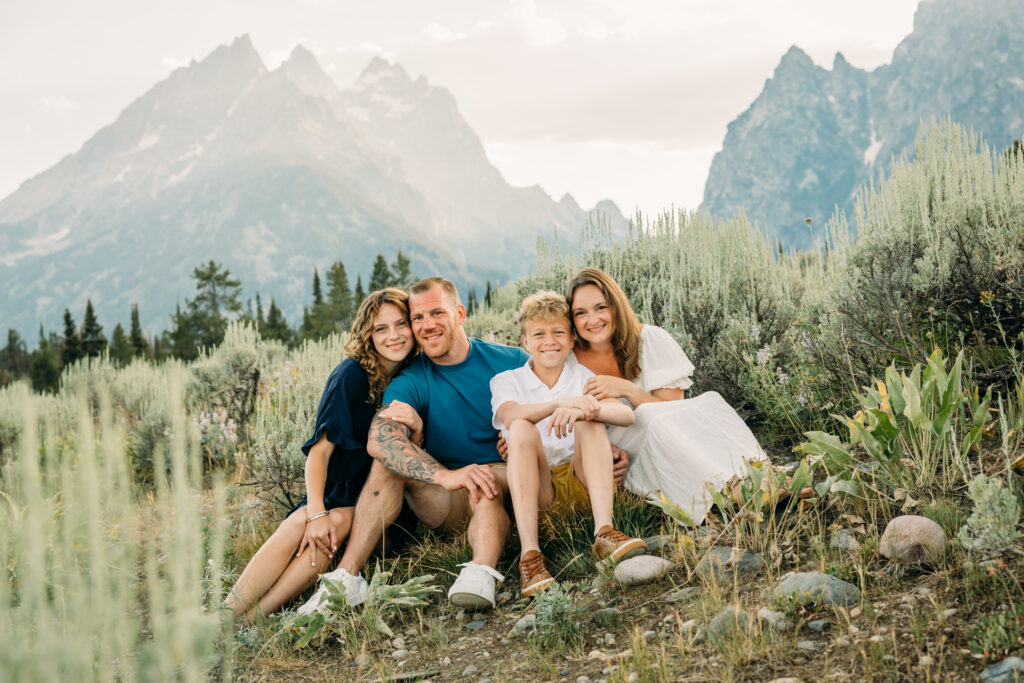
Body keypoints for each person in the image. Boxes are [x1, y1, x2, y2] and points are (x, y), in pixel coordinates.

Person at [301, 277, 529, 612]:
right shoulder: (412, 378)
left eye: (437, 313)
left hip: (514, 482)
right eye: (418, 318)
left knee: (486, 480)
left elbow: (561, 400)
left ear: (460, 313)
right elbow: (381, 440)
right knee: (388, 463)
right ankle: (346, 579)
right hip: (448, 497)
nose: (427, 325)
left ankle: (481, 571)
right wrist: (447, 476)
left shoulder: (511, 360)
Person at [226, 288, 415, 623]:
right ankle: (228, 617)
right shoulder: (351, 375)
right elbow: (319, 453)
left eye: (401, 324)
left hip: (387, 502)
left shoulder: (415, 375)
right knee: (311, 521)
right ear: (367, 335)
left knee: (336, 521)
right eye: (381, 329)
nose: (394, 335)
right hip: (339, 493)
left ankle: (252, 618)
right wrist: (315, 513)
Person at [566, 268, 768, 525]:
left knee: (711, 402)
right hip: (613, 456)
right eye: (580, 313)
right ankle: (736, 492)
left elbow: (676, 417)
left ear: (616, 306)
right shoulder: (568, 359)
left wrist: (628, 390)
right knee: (651, 417)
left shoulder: (649, 340)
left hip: (663, 442)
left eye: (600, 307)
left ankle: (757, 474)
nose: (592, 319)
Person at [491, 291, 644, 598]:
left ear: (572, 339)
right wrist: (561, 403)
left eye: (558, 332)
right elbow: (511, 416)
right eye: (539, 334)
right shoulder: (507, 380)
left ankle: (605, 532)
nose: (550, 341)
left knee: (590, 415)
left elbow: (625, 414)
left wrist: (582, 407)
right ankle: (530, 556)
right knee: (520, 428)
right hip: (540, 488)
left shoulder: (582, 376)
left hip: (583, 480)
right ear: (525, 342)